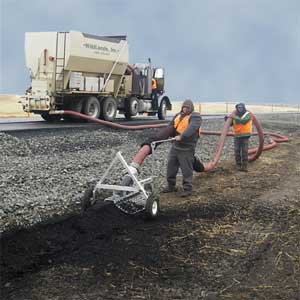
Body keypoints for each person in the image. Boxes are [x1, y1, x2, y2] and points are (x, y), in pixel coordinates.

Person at [162, 99, 202, 197]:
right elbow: (170, 126)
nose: (185, 109)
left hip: (187, 148)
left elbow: (192, 128)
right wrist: (165, 135)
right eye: (184, 107)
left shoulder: (196, 117)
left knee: (186, 169)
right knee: (171, 166)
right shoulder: (177, 116)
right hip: (175, 146)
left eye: (187, 107)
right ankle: (171, 186)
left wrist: (181, 136)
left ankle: (187, 189)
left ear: (191, 108)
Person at [226, 103, 253, 172]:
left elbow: (243, 121)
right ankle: (238, 165)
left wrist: (233, 117)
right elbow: (231, 124)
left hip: (245, 135)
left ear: (244, 108)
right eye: (238, 108)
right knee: (236, 150)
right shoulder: (235, 115)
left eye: (241, 107)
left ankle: (245, 166)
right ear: (237, 108)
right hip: (237, 135)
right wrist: (227, 119)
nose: (240, 109)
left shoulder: (248, 114)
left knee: (244, 151)